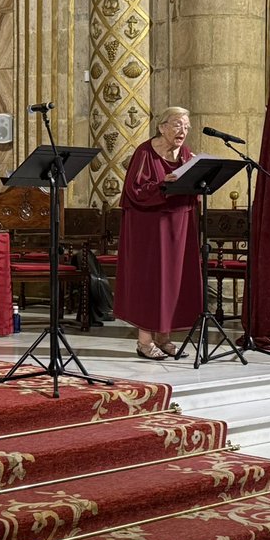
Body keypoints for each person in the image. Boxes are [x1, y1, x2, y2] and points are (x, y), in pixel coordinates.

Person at [114, 106, 202, 360]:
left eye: (186, 126)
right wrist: (166, 184)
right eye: (177, 125)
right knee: (152, 279)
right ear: (161, 127)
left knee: (174, 280)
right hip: (149, 227)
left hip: (180, 225)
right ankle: (144, 341)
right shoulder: (145, 152)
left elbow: (192, 188)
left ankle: (165, 338)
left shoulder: (186, 154)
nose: (182, 131)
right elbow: (135, 191)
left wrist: (197, 172)